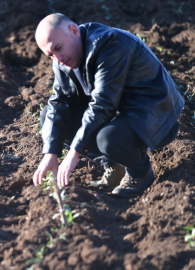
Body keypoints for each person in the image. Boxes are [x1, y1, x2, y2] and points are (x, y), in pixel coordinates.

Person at [32, 13, 184, 197]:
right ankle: (114, 163)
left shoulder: (110, 44)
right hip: (120, 115)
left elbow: (103, 103)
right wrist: (51, 152)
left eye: (58, 48)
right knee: (48, 115)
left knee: (108, 138)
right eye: (51, 55)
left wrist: (75, 152)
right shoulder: (62, 61)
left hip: (155, 116)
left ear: (74, 31)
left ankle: (140, 173)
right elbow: (58, 103)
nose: (57, 59)